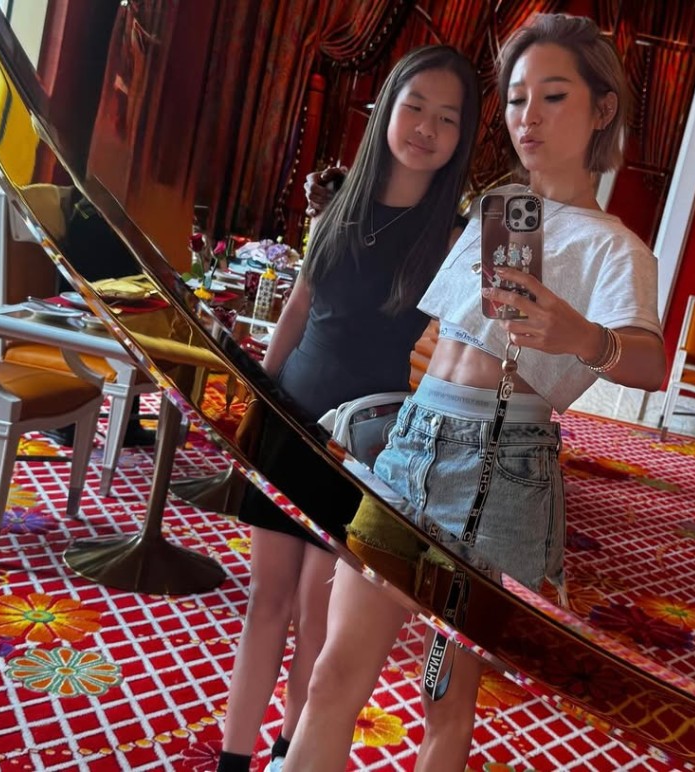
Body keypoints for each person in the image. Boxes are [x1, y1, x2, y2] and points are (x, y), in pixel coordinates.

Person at [283, 13, 667, 772]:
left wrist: (582, 337)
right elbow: (448, 329)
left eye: (553, 96)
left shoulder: (615, 247)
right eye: (517, 99)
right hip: (412, 445)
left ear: (602, 109)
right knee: (333, 675)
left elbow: (651, 364)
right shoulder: (498, 210)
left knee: (446, 700)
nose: (528, 117)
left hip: (500, 468)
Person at [217, 45, 479, 772]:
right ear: (387, 108)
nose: (426, 127)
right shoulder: (339, 206)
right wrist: (259, 402)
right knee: (265, 602)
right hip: (289, 420)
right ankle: (233, 759)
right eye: (415, 106)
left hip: (364, 449)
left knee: (317, 617)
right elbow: (298, 308)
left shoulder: (451, 241)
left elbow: (467, 353)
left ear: (462, 136)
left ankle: (288, 752)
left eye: (447, 118)